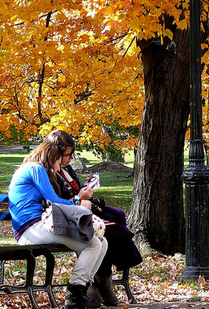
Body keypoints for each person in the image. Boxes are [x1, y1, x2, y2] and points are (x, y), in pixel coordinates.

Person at [8, 130, 107, 309]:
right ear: (54, 154)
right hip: (29, 230)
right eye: (63, 158)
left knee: (102, 242)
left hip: (38, 227)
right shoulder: (35, 168)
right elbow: (53, 201)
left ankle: (80, 290)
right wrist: (79, 202)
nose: (63, 164)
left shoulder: (35, 168)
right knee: (93, 243)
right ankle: (74, 294)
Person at [47, 130, 142, 307]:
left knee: (118, 229)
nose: (69, 158)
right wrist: (79, 198)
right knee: (106, 235)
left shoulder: (66, 168)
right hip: (70, 216)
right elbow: (57, 200)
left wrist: (85, 191)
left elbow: (74, 192)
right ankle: (98, 286)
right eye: (66, 154)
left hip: (82, 211)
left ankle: (100, 284)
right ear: (56, 153)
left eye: (71, 154)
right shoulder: (49, 170)